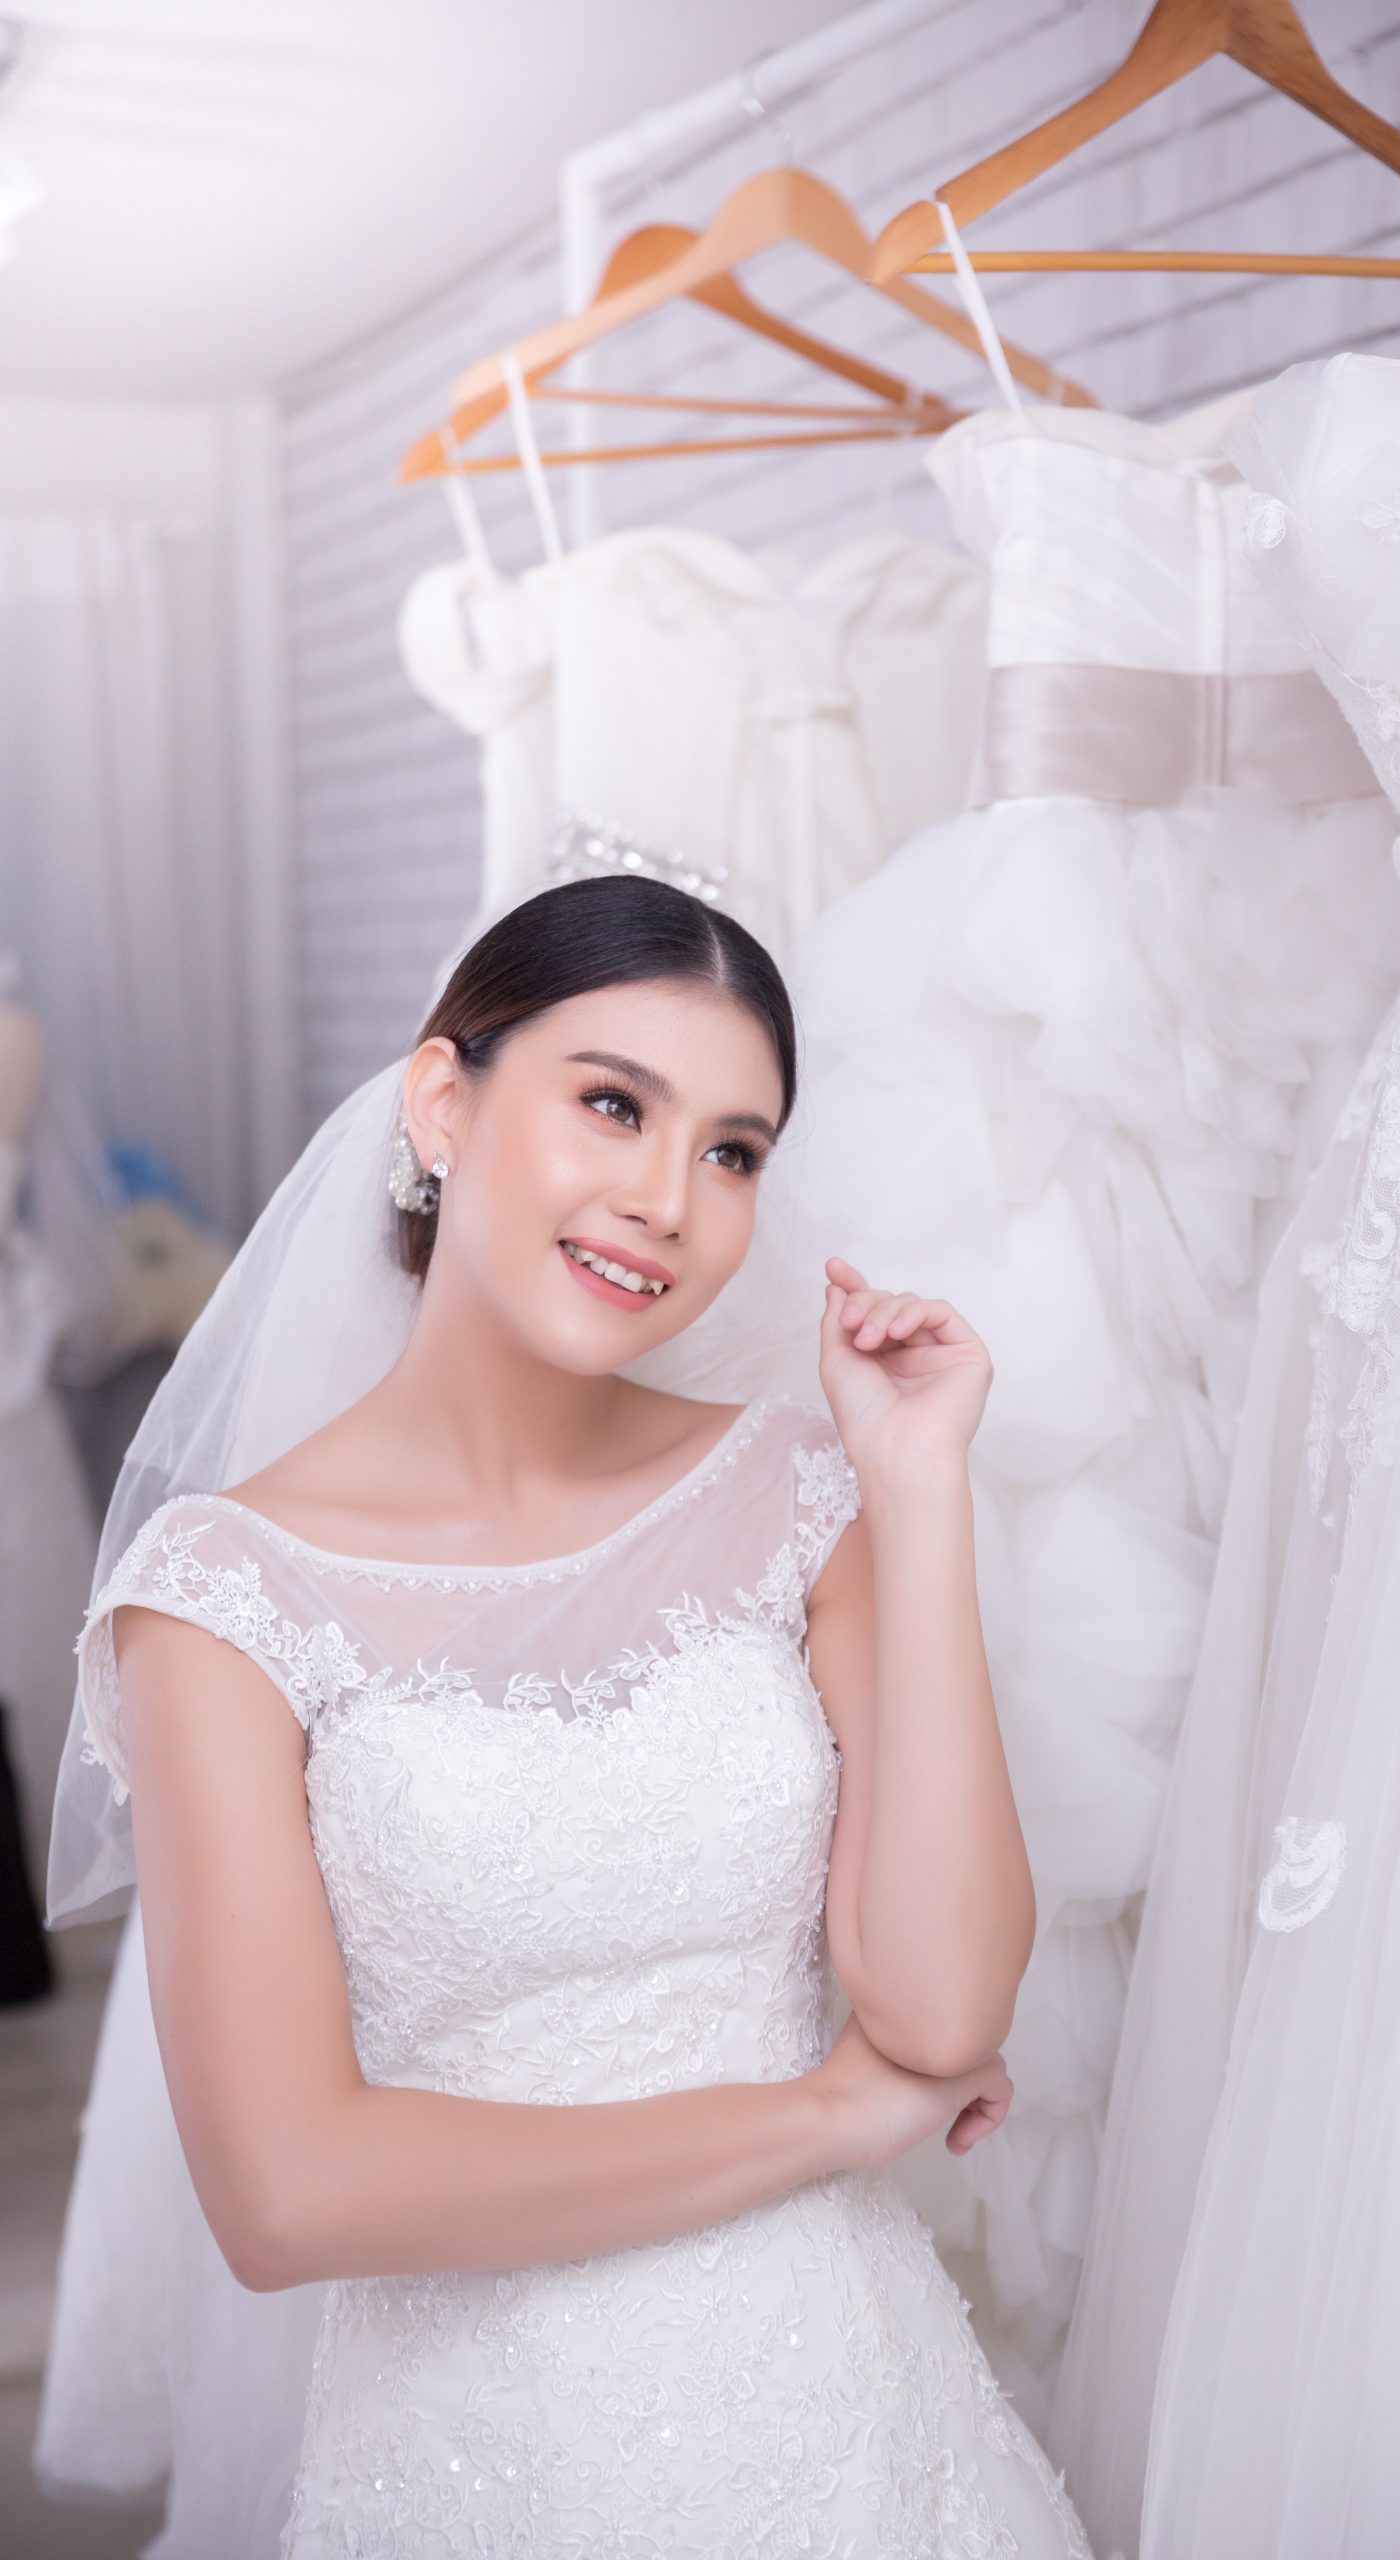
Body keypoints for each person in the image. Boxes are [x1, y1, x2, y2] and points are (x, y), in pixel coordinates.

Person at [48, 875, 1091, 2558]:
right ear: (443, 1100)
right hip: (478, 2457)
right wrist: (826, 2116)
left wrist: (917, 1492)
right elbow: (287, 2192)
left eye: (733, 1150)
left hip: (847, 2420)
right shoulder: (222, 1598)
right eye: (614, 1104)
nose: (669, 1199)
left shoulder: (795, 1492)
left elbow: (950, 1998)